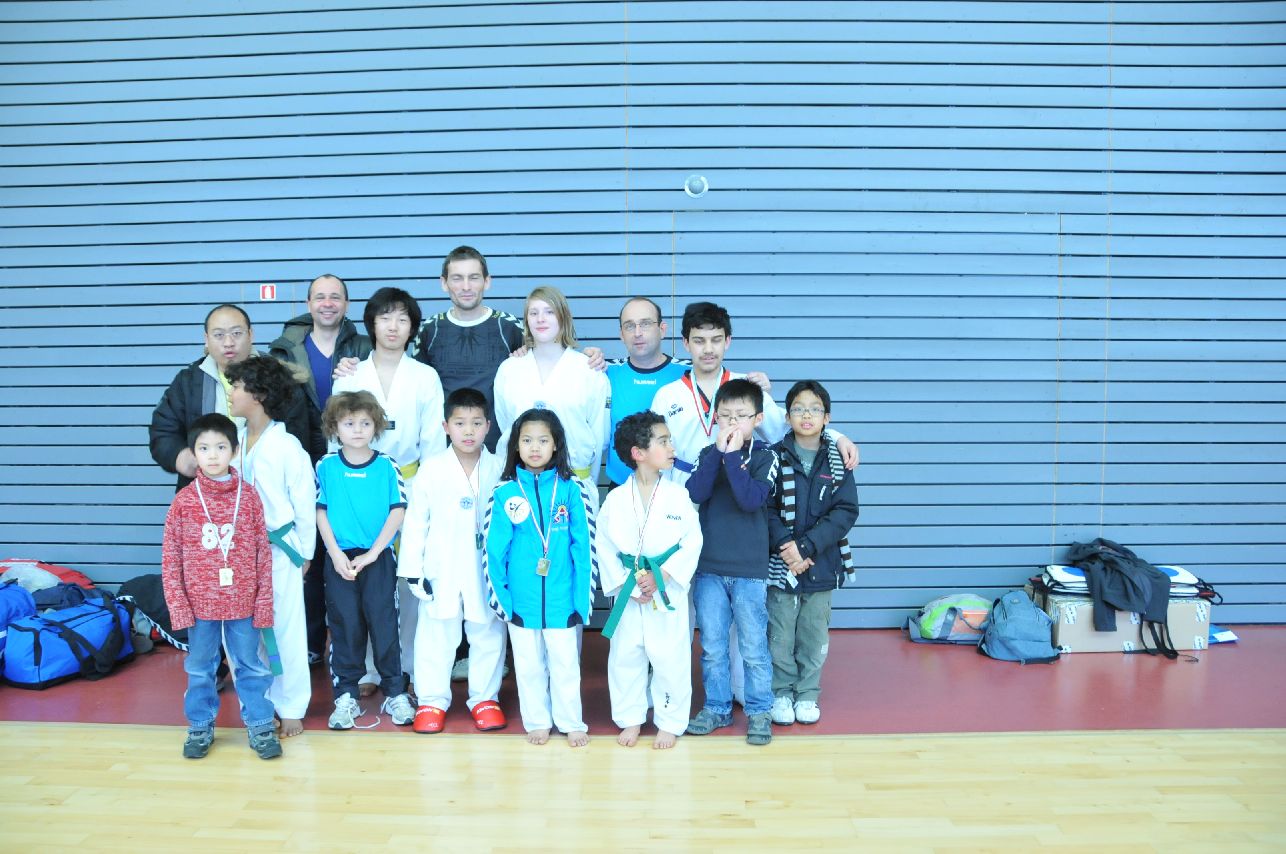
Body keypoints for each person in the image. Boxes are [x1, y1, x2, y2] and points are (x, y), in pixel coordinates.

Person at [332, 286, 445, 688]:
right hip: (359, 487)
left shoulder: (425, 376)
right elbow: (335, 442)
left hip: (410, 485)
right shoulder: (351, 375)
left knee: (409, 578)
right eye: (385, 318)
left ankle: (406, 664)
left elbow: (434, 444)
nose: (393, 326)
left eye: (402, 318)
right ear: (371, 324)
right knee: (362, 575)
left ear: (412, 327)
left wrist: (428, 499)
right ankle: (365, 667)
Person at [160, 413, 280, 760]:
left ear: (235, 450)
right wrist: (178, 606)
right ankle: (200, 725)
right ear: (193, 453)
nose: (212, 455)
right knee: (200, 668)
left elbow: (262, 554)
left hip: (243, 602)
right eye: (204, 448)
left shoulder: (249, 497)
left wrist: (263, 603)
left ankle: (260, 724)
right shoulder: (184, 501)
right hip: (199, 606)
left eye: (220, 447)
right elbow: (170, 557)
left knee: (251, 666)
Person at [269, 274, 371, 664]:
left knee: (348, 548)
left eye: (336, 297)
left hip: (350, 460)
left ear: (346, 304)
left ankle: (356, 650)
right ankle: (312, 643)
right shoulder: (283, 351)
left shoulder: (362, 346)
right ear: (309, 304)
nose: (328, 303)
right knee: (307, 553)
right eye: (320, 297)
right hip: (301, 458)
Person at [397, 388, 508, 734]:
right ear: (446, 427)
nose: (468, 431)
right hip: (441, 566)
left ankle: (485, 698)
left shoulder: (500, 468)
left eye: (476, 423)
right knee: (435, 634)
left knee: (488, 631)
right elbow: (416, 522)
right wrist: (412, 571)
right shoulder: (431, 469)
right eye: (460, 423)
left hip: (485, 568)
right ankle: (431, 700)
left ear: (488, 426)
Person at [484, 409, 595, 747]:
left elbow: (583, 548)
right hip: (522, 600)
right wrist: (503, 602)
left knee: (565, 665)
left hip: (562, 599)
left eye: (543, 440)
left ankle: (571, 721)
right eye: (527, 440)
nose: (535, 447)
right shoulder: (504, 493)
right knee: (529, 666)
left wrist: (582, 600)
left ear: (556, 445)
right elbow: (494, 552)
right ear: (516, 446)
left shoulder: (571, 490)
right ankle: (537, 721)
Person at [597, 412, 702, 749]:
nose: (672, 448)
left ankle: (670, 721)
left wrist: (664, 575)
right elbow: (604, 546)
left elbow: (692, 541)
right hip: (629, 590)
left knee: (670, 657)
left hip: (666, 589)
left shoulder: (678, 495)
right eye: (663, 441)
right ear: (638, 452)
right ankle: (630, 718)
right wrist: (625, 583)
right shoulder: (615, 500)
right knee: (626, 656)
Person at [225, 354, 316, 739]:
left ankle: (291, 705)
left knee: (284, 629)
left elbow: (304, 503)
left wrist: (306, 553)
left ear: (259, 395)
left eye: (237, 386)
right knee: (239, 631)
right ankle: (257, 704)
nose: (231, 392)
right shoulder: (232, 442)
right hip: (236, 551)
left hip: (279, 549)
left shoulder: (287, 446)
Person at [684, 379, 779, 746]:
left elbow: (750, 499)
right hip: (709, 566)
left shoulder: (766, 457)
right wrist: (720, 455)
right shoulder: (707, 453)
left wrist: (733, 458)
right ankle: (717, 707)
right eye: (725, 416)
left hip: (749, 570)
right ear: (715, 419)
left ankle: (759, 711)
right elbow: (696, 491)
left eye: (741, 416)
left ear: (757, 419)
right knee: (712, 646)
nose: (732, 423)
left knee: (753, 647)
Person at [314, 391, 414, 730]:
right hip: (340, 560)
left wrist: (373, 553)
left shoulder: (387, 466)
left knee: (384, 625)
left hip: (378, 559)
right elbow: (320, 512)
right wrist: (334, 554)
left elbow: (397, 511)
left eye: (365, 423)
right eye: (348, 423)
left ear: (376, 426)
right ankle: (346, 696)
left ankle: (395, 692)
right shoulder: (326, 466)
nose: (357, 430)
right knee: (345, 625)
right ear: (334, 428)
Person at [766, 381, 859, 727]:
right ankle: (781, 692)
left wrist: (806, 547)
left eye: (815, 409)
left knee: (813, 633)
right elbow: (765, 508)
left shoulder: (838, 460)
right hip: (781, 563)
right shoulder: (773, 456)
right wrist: (787, 547)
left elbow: (845, 511)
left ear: (827, 418)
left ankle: (807, 693)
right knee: (779, 633)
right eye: (799, 409)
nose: (807, 415)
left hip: (821, 562)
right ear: (787, 416)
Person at [150, 304, 314, 491]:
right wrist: (178, 455)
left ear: (251, 335)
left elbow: (298, 434)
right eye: (219, 335)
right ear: (206, 339)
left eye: (236, 333)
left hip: (266, 492)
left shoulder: (277, 377)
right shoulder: (188, 381)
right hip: (204, 493)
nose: (228, 342)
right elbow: (163, 430)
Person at [493, 286, 609, 510]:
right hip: (520, 489)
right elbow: (506, 424)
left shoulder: (588, 370)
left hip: (574, 486)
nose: (540, 319)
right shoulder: (509, 369)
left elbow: (598, 434)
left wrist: (587, 485)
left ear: (563, 317)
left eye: (549, 312)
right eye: (533, 313)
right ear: (526, 320)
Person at [410, 246, 525, 451]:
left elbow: (546, 365)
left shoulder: (509, 326)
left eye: (473, 278)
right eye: (457, 278)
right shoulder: (429, 330)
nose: (466, 286)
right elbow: (415, 389)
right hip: (443, 452)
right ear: (444, 283)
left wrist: (587, 358)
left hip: (498, 453)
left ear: (487, 281)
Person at [603, 297, 689, 489]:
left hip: (675, 489)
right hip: (621, 488)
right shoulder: (606, 373)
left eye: (646, 324)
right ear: (621, 334)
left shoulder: (689, 374)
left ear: (662, 329)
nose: (637, 333)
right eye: (629, 326)